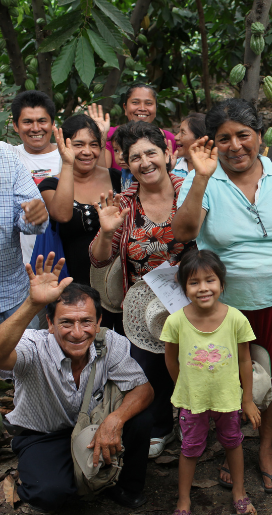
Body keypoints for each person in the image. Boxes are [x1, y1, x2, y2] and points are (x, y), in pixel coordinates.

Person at [172, 98, 272, 492]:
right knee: (225, 380)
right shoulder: (201, 177)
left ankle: (266, 448)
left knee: (267, 380)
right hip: (222, 307)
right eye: (224, 138)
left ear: (260, 138)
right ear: (212, 142)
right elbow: (184, 233)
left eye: (243, 135)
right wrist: (201, 177)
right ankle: (229, 447)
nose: (235, 146)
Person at [0, 253, 154, 511]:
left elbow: (144, 389)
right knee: (50, 494)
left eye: (86, 321)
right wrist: (31, 303)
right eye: (66, 322)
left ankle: (126, 485)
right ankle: (55, 477)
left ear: (99, 322)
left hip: (91, 425)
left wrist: (114, 420)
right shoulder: (34, 346)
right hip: (44, 434)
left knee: (139, 417)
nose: (78, 332)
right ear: (49, 323)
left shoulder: (110, 342)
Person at [90, 121, 193, 458]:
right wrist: (107, 232)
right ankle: (161, 426)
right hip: (143, 308)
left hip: (193, 298)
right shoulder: (124, 203)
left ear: (167, 154)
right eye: (135, 157)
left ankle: (199, 427)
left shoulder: (189, 191)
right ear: (127, 164)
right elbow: (99, 259)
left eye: (151, 152)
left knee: (196, 362)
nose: (145, 162)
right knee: (149, 372)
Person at [162, 249, 259, 515]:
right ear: (184, 288)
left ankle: (239, 490)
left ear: (222, 284)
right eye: (194, 282)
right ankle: (184, 500)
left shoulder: (236, 319)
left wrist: (247, 399)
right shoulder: (176, 322)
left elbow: (244, 361)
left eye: (210, 280)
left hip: (228, 398)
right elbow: (171, 360)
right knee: (190, 448)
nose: (203, 288)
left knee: (233, 441)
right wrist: (183, 386)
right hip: (193, 401)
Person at [38, 115, 121, 287]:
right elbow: (62, 215)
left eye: (93, 144)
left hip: (115, 282)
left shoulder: (117, 178)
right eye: (78, 144)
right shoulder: (50, 185)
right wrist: (67, 164)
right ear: (64, 144)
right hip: (71, 283)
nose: (87, 151)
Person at [0, 91, 61, 263]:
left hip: (63, 254)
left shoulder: (68, 157)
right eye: (27, 122)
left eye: (42, 121)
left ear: (52, 123)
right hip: (22, 262)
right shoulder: (8, 157)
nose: (35, 128)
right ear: (15, 126)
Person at [0, 145, 49, 328]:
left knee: (25, 355)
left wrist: (35, 216)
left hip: (12, 294)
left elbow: (29, 214)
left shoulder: (7, 159)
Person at [97, 84, 177, 170]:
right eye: (135, 102)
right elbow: (101, 175)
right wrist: (102, 136)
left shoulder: (169, 139)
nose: (142, 108)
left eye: (148, 103)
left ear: (156, 108)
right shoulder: (110, 135)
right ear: (125, 108)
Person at [172, 112, 207, 179]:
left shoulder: (220, 170)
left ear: (200, 140)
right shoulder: (173, 168)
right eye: (178, 132)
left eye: (182, 133)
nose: (176, 137)